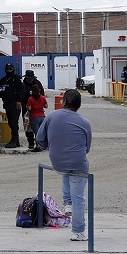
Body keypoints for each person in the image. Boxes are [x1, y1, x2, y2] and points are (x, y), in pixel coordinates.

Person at [37, 88, 93, 242]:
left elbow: (40, 139)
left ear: (64, 102)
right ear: (78, 105)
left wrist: (50, 146)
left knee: (65, 169)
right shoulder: (85, 122)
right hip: (78, 163)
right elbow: (87, 148)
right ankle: (78, 232)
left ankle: (67, 203)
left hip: (57, 162)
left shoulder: (52, 116)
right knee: (79, 198)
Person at [0, 63, 25, 149]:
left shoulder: (16, 78)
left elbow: (22, 89)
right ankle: (16, 141)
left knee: (14, 122)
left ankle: (14, 140)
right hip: (7, 104)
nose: (9, 70)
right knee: (11, 122)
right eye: (7, 68)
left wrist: (19, 101)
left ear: (13, 69)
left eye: (10, 68)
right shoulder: (5, 79)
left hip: (15, 104)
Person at [25, 84, 47, 153]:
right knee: (42, 132)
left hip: (34, 117)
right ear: (39, 90)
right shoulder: (43, 98)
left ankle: (38, 146)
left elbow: (29, 108)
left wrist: (27, 107)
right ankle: (43, 145)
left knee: (37, 133)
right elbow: (46, 106)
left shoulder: (30, 99)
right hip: (42, 116)